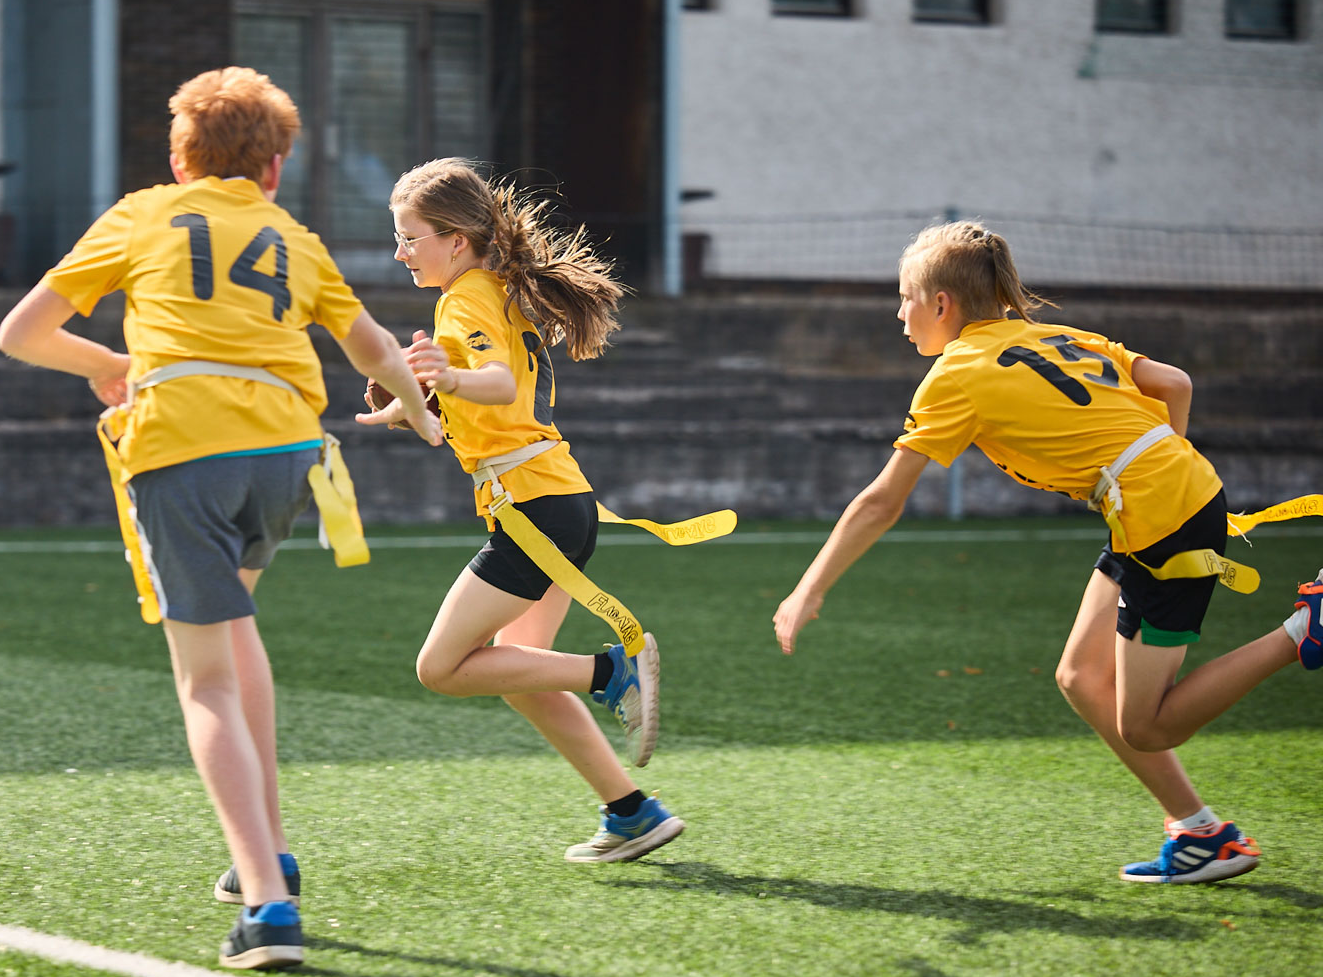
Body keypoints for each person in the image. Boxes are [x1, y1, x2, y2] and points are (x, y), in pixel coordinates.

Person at [0, 67, 442, 970]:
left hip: (183, 451)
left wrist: (109, 364)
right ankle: (268, 853)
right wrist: (423, 417)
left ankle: (269, 908)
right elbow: (373, 347)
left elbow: (20, 334)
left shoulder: (141, 214)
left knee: (204, 683)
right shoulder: (295, 237)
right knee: (237, 632)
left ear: (179, 161)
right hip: (288, 455)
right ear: (274, 169)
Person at [772, 219, 1322, 885]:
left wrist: (809, 589)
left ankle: (1305, 628)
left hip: (1159, 519)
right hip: (1165, 501)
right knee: (1081, 677)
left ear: (941, 303)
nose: (899, 314)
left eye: (904, 298)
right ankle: (1200, 833)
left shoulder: (956, 374)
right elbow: (1175, 383)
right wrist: (1164, 471)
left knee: (1149, 727)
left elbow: (880, 502)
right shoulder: (1057, 336)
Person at [358, 156, 685, 864]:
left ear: (456, 240)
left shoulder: (465, 298)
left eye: (410, 238)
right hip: (557, 500)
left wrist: (447, 377)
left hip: (535, 509)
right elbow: (471, 408)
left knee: (441, 668)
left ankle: (611, 673)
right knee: (523, 675)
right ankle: (632, 812)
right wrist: (413, 406)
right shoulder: (492, 291)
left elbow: (498, 383)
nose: (400, 252)